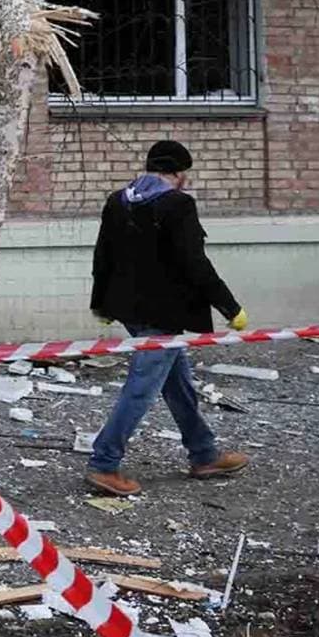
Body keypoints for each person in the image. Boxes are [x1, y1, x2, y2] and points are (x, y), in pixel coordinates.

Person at [86, 140, 252, 497]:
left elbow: (103, 255)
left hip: (130, 311)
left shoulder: (118, 200)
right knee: (142, 389)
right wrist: (230, 308)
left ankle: (204, 454)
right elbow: (195, 264)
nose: (186, 181)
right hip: (163, 315)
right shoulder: (178, 204)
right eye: (185, 175)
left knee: (178, 384)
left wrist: (100, 303)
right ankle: (103, 463)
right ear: (178, 173)